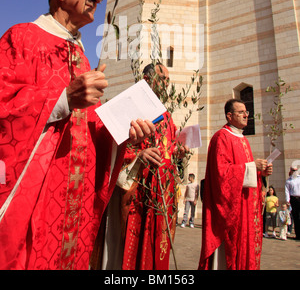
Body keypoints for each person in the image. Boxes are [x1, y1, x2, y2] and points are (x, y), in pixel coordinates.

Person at [0, 0, 155, 270]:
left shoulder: (83, 58)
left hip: (77, 197)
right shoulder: (22, 37)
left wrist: (123, 132)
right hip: (39, 192)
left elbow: (90, 127)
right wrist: (62, 100)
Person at [98, 63, 185, 270]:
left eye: (167, 80)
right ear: (147, 79)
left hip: (161, 194)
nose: (166, 84)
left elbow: (168, 150)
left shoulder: (166, 115)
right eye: (163, 79)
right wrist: (139, 154)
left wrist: (178, 152)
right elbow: (112, 144)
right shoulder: (130, 105)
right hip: (136, 192)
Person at [199, 99, 273, 270]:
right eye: (241, 112)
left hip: (245, 207)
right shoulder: (221, 137)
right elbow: (221, 174)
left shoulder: (243, 140)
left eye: (246, 112)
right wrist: (253, 167)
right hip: (231, 210)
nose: (246, 115)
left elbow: (243, 169)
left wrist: (260, 172)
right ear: (229, 116)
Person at [285, 165, 300, 240]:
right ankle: (298, 235)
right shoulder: (288, 181)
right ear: (291, 171)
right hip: (293, 198)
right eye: (293, 170)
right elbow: (287, 191)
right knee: (296, 217)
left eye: (295, 170)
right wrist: (288, 200)